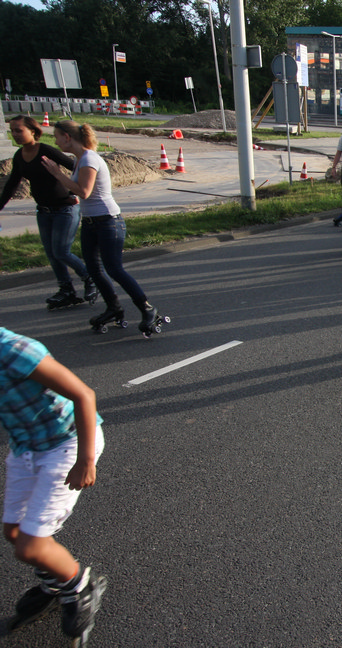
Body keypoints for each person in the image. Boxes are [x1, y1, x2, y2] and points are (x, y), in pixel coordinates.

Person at [1, 326, 107, 642]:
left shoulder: (14, 350)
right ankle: (55, 581)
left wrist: (85, 460)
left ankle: (79, 585)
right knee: (14, 532)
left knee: (31, 546)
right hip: (26, 448)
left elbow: (84, 395)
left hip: (67, 444)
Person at [40, 121, 165, 335]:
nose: (55, 141)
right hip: (91, 223)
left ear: (67, 137)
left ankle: (147, 309)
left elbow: (84, 191)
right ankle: (114, 308)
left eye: (56, 136)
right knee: (94, 270)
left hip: (108, 222)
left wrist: (57, 174)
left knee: (114, 269)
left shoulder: (89, 159)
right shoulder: (79, 159)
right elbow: (80, 193)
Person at [0, 116, 97, 311]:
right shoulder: (19, 156)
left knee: (61, 251)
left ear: (33, 131)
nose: (15, 134)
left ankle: (90, 278)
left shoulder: (46, 151)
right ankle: (66, 290)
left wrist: (75, 190)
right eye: (12, 131)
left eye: (19, 130)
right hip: (43, 211)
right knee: (52, 254)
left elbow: (75, 166)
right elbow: (12, 185)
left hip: (65, 209)